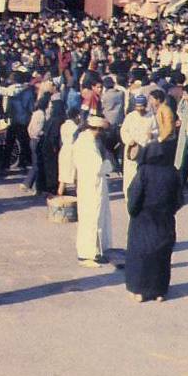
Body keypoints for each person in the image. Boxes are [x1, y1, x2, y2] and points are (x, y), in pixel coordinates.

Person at [125, 141, 183, 302]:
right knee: (162, 257)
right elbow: (179, 199)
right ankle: (159, 291)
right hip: (165, 220)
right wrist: (169, 211)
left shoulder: (143, 172)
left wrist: (133, 212)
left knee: (141, 255)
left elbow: (134, 196)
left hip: (144, 219)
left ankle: (139, 291)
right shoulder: (173, 172)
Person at [73, 114, 113, 268]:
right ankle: (87, 254)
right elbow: (98, 168)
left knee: (92, 218)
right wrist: (109, 165)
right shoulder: (87, 144)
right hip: (92, 186)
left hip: (88, 185)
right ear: (95, 129)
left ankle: (96, 251)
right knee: (92, 219)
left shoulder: (84, 140)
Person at [119, 94, 155, 200]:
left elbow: (156, 131)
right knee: (130, 175)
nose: (140, 109)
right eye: (138, 106)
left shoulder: (151, 117)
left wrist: (152, 135)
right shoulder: (130, 116)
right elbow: (124, 131)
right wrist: (129, 140)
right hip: (132, 150)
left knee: (143, 174)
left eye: (142, 106)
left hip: (146, 150)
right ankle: (129, 197)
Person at [57, 107, 80, 196]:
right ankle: (80, 198)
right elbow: (75, 140)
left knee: (63, 179)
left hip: (64, 151)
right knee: (76, 178)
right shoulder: (75, 127)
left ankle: (59, 200)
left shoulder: (63, 125)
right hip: (72, 153)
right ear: (76, 116)